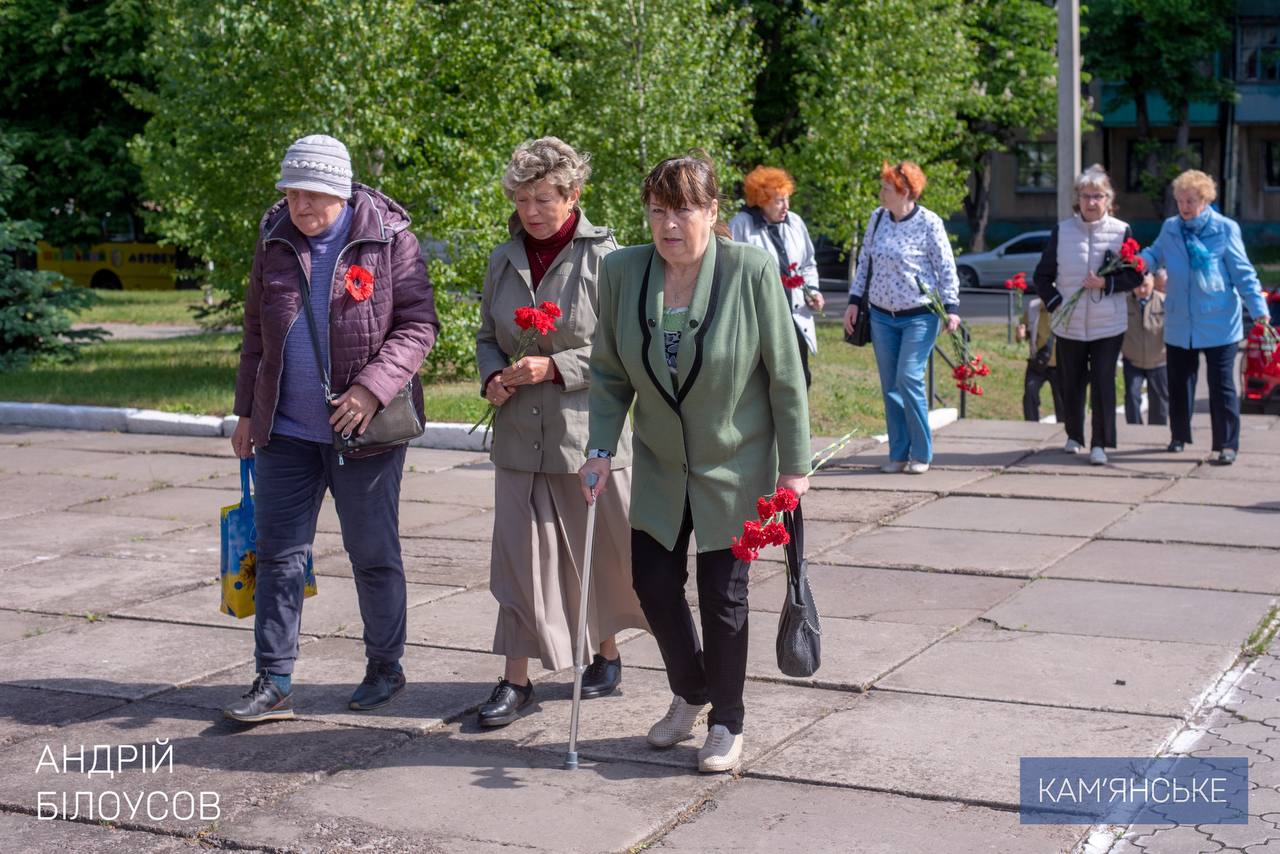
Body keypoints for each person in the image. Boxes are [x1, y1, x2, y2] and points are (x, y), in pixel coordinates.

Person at [580, 153, 811, 773]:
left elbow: (786, 377)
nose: (669, 224)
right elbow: (607, 375)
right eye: (657, 210)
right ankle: (690, 690)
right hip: (659, 462)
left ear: (712, 211)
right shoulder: (622, 272)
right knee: (652, 583)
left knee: (723, 598)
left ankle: (726, 723)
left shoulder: (750, 271)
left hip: (736, 464)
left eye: (683, 209)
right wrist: (600, 450)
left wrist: (795, 467)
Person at [225, 134, 439, 723]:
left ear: (342, 193)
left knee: (372, 553)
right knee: (277, 557)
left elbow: (419, 326)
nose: (303, 208)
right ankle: (273, 680)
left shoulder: (388, 238)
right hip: (285, 432)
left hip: (363, 434)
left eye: (315, 197)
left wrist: (372, 388)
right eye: (293, 194)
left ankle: (385, 668)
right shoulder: (274, 239)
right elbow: (253, 335)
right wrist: (247, 412)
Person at [473, 137, 646, 727]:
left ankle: (607, 653)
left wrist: (557, 366)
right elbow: (485, 337)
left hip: (586, 438)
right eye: (520, 199)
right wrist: (493, 375)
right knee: (518, 560)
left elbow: (624, 346)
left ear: (573, 195)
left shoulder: (609, 258)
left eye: (542, 198)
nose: (529, 211)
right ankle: (514, 681)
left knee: (596, 555)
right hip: (520, 436)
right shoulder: (503, 258)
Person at [1140, 169, 1271, 464]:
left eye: (1190, 201)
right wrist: (1140, 262)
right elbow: (1155, 253)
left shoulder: (1225, 229)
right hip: (1180, 320)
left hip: (1219, 321)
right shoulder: (1171, 227)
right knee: (1179, 382)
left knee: (1221, 384)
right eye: (1180, 201)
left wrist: (1260, 313)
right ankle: (1179, 435)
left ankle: (1227, 444)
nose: (1184, 207)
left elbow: (1244, 274)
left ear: (1205, 199)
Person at [842, 161, 960, 474]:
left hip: (919, 316)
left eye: (886, 188)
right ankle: (898, 453)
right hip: (881, 316)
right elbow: (865, 263)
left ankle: (922, 453)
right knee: (890, 385)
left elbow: (945, 267)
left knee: (908, 377)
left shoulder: (929, 223)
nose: (880, 193)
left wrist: (952, 308)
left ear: (904, 192)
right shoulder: (877, 218)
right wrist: (854, 302)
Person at [1033, 165, 1142, 466]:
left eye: (1098, 196)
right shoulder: (1062, 231)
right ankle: (1074, 434)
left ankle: (1100, 444)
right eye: (1085, 196)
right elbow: (1041, 277)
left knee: (1104, 383)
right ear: (1077, 200)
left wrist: (1106, 283)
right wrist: (1057, 303)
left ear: (1109, 199)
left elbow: (1135, 277)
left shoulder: (1122, 232)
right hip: (1069, 324)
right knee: (1071, 383)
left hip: (1109, 324)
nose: (1091, 202)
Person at [728, 166, 825, 387]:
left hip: (795, 315)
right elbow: (730, 272)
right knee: (764, 380)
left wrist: (813, 291)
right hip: (759, 318)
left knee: (800, 378)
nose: (786, 207)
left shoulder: (795, 222)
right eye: (779, 201)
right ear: (762, 199)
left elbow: (808, 263)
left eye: (787, 199)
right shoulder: (741, 226)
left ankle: (797, 421)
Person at [1122, 277, 1169, 425]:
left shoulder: (1164, 302)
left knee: (1159, 400)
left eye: (1145, 285)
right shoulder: (1124, 303)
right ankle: (1135, 429)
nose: (1142, 290)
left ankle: (1157, 432)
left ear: (1153, 283)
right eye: (1138, 286)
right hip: (1132, 360)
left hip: (1159, 360)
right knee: (1132, 396)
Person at [1020, 297, 1065, 422]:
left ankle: (1064, 431)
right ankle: (1031, 426)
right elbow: (1024, 329)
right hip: (1037, 363)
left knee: (1062, 402)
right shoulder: (1034, 308)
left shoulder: (1067, 308)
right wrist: (1021, 333)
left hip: (1059, 365)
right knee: (1030, 395)